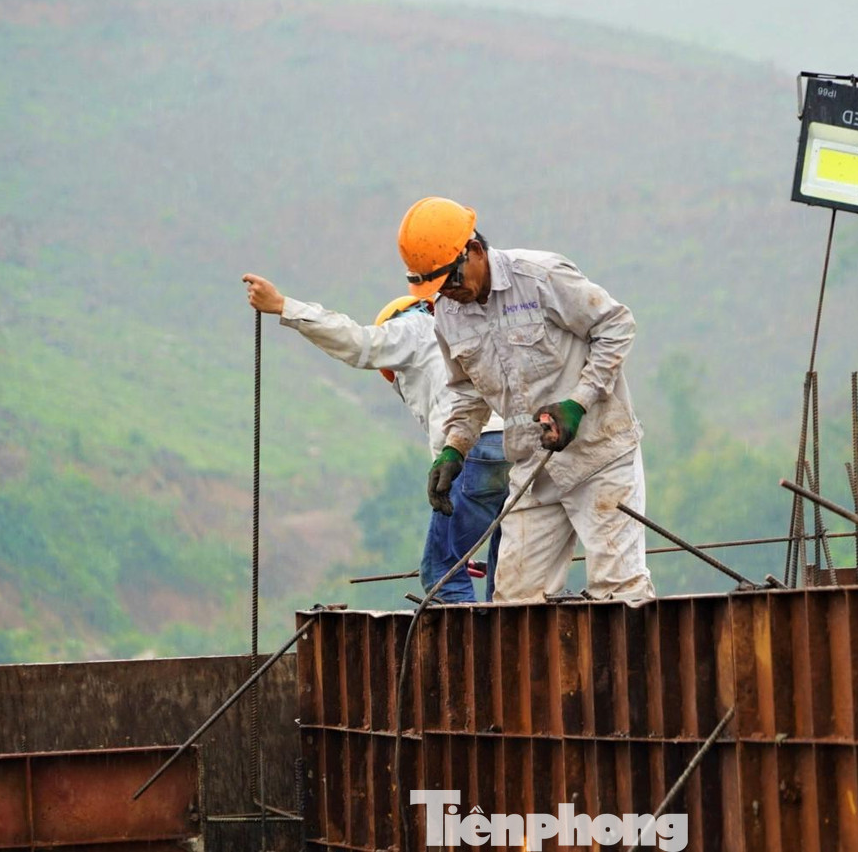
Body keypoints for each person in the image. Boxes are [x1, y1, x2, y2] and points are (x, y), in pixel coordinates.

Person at [397, 196, 656, 603]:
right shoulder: (448, 315)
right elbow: (467, 393)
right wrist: (454, 450)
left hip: (600, 457)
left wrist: (578, 402)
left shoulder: (539, 277)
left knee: (620, 595)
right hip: (534, 471)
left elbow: (616, 325)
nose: (448, 292)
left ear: (476, 252)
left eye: (451, 280)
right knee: (517, 603)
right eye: (437, 286)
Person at [241, 273, 510, 602]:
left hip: (474, 449)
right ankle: (511, 647)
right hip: (518, 448)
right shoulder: (467, 328)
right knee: (508, 572)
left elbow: (357, 343)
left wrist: (284, 306)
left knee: (442, 570)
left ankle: (471, 652)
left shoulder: (411, 327)